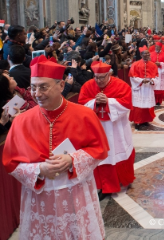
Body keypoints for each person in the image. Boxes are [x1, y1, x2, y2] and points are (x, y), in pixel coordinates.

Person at [2, 55, 109, 239]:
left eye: (43, 87)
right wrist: (38, 169)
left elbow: (99, 150)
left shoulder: (84, 115)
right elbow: (11, 163)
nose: (37, 93)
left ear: (61, 85)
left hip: (75, 192)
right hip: (40, 196)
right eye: (33, 87)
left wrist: (72, 160)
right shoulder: (22, 121)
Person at [78, 61, 135, 198]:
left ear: (109, 74)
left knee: (118, 152)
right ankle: (103, 186)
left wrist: (109, 102)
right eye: (96, 77)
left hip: (116, 128)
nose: (98, 81)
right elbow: (81, 105)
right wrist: (95, 102)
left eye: (102, 77)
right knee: (101, 157)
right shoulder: (88, 86)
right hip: (97, 127)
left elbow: (127, 104)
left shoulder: (121, 85)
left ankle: (123, 179)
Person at [129, 46, 158, 129]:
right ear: (141, 55)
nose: (147, 55)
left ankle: (145, 120)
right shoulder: (135, 64)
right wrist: (141, 81)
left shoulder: (153, 65)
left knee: (147, 105)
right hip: (139, 87)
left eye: (148, 53)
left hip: (148, 87)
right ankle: (138, 121)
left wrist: (152, 81)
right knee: (138, 105)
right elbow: (132, 77)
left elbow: (156, 76)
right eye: (145, 53)